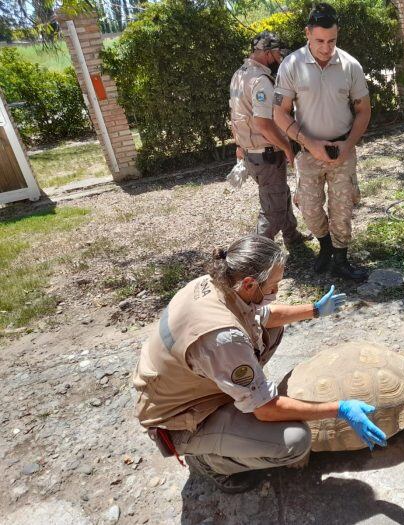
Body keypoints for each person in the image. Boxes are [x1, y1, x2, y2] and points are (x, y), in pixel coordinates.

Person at [133, 235, 387, 493]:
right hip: (179, 417)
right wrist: (340, 409)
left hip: (183, 382)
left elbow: (263, 316)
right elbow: (266, 410)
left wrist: (315, 310)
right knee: (294, 441)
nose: (276, 292)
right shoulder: (223, 337)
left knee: (272, 330)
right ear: (249, 284)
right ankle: (209, 461)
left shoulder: (218, 283)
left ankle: (240, 395)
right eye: (274, 286)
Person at [273, 3, 371, 281]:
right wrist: (309, 142)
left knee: (342, 210)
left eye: (332, 41)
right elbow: (278, 113)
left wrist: (348, 144)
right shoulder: (291, 65)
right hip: (308, 152)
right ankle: (325, 247)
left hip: (342, 150)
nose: (326, 48)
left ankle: (340, 259)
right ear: (307, 33)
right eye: (319, 41)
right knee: (310, 209)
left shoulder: (350, 65)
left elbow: (364, 110)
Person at [230, 31, 310, 248]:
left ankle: (292, 236)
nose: (279, 59)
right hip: (266, 155)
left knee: (279, 193)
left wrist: (239, 144)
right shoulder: (261, 81)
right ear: (266, 53)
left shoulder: (239, 74)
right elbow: (263, 124)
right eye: (276, 54)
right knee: (271, 210)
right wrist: (287, 148)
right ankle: (255, 255)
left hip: (251, 153)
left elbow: (236, 114)